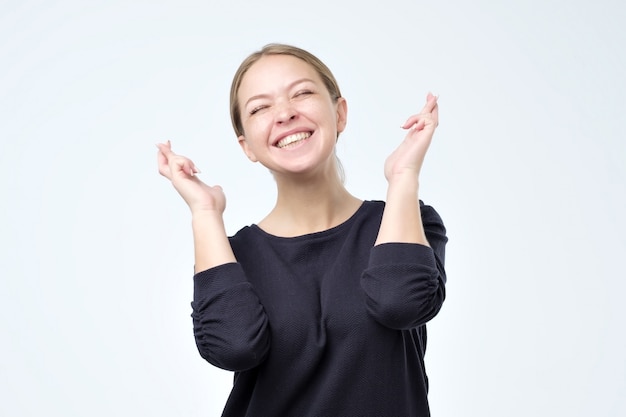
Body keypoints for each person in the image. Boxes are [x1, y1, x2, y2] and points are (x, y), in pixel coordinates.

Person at [156, 43, 447, 417]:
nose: (285, 114)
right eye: (260, 108)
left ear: (340, 113)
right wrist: (205, 212)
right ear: (247, 146)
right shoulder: (232, 257)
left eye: (303, 93)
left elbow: (400, 303)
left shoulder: (409, 221)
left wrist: (403, 177)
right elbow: (233, 347)